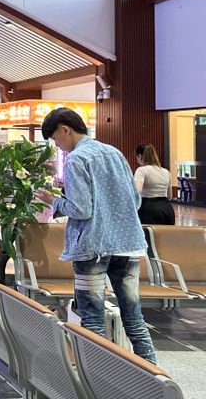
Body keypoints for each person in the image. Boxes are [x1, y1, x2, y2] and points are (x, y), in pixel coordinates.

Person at [38, 107, 157, 364]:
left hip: (92, 248)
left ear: (65, 129)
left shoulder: (77, 159)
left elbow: (81, 209)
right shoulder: (114, 152)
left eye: (56, 139)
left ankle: (99, 379)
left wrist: (54, 201)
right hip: (127, 245)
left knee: (93, 319)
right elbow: (135, 201)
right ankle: (154, 375)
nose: (59, 146)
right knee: (134, 318)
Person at [134, 144, 175, 225]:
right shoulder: (166, 172)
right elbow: (169, 196)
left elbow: (137, 191)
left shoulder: (142, 170)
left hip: (149, 210)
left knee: (150, 237)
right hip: (168, 210)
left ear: (139, 156)